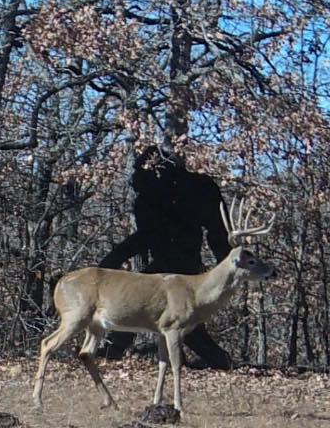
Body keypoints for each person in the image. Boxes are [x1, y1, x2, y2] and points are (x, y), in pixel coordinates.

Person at [98, 146, 234, 370]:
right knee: (148, 307)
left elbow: (146, 236)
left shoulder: (188, 189)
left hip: (180, 264)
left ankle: (218, 360)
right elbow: (146, 236)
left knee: (144, 305)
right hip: (172, 264)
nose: (135, 177)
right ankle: (116, 350)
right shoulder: (167, 192)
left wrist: (225, 266)